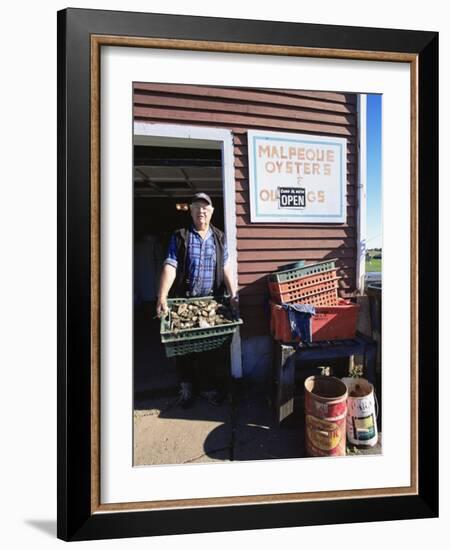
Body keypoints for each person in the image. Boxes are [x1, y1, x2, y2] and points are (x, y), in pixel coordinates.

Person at [156, 192, 239, 407]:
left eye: (205, 208)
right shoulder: (180, 236)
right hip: (184, 302)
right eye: (197, 207)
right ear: (191, 211)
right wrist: (162, 296)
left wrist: (233, 295)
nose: (201, 211)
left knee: (209, 350)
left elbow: (226, 268)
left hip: (211, 302)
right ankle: (186, 388)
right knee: (183, 348)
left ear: (211, 212)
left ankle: (207, 388)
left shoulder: (220, 238)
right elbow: (170, 266)